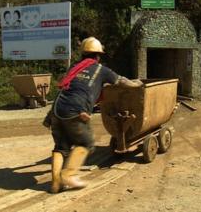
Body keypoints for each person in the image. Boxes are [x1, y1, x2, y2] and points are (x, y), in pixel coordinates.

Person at [49, 37, 142, 193]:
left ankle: (55, 183)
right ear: (98, 56)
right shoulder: (101, 70)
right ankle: (68, 175)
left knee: (60, 147)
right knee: (86, 143)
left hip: (57, 109)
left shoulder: (74, 68)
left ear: (83, 54)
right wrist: (137, 84)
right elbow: (122, 81)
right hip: (75, 110)